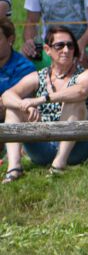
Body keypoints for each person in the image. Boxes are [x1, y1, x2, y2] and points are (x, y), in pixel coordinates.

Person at [2, 25, 88, 181]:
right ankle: (14, 168)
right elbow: (7, 95)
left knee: (73, 102)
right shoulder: (38, 76)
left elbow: (80, 91)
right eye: (60, 46)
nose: (66, 50)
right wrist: (24, 107)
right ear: (48, 50)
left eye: (70, 45)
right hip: (44, 146)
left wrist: (41, 99)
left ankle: (59, 165)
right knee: (13, 110)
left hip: (79, 146)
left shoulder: (86, 74)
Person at [1, 17, 38, 176]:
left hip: (13, 116)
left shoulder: (24, 67)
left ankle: (13, 160)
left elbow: (23, 103)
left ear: (10, 40)